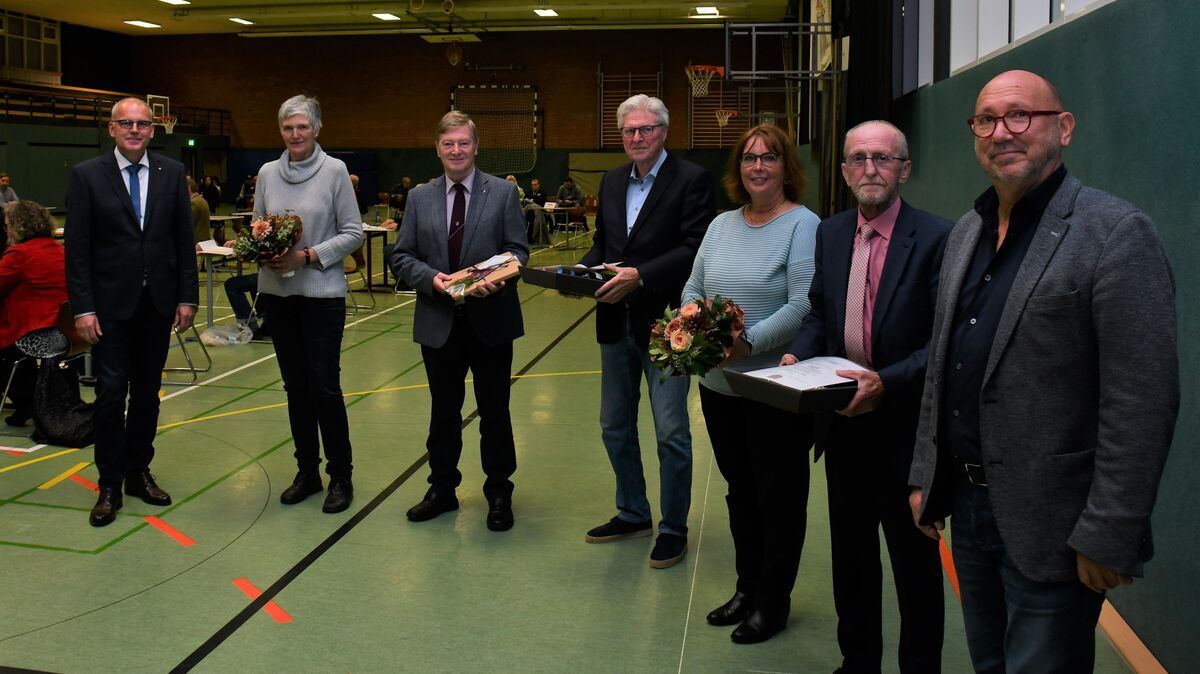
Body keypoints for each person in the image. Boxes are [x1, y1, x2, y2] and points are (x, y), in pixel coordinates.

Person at [908, 70, 1179, 673]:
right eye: (986, 119)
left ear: (1064, 128)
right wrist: (927, 472)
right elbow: (944, 369)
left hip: (1056, 523)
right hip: (970, 508)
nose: (1002, 132)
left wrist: (1111, 531)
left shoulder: (1114, 234)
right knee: (990, 665)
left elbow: (1142, 400)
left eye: (1020, 116)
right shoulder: (967, 234)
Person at [783, 120, 951, 669]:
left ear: (905, 169)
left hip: (904, 430)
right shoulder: (830, 233)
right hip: (844, 423)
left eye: (882, 158)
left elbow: (943, 344)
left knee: (913, 566)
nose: (869, 168)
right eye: (858, 158)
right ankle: (858, 662)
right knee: (851, 559)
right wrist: (796, 356)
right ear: (844, 171)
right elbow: (820, 312)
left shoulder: (936, 238)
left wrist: (888, 382)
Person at [682, 124, 819, 641]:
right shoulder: (720, 224)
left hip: (774, 390)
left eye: (770, 158)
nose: (758, 167)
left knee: (777, 497)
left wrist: (749, 342)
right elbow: (695, 286)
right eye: (748, 158)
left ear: (787, 167)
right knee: (741, 493)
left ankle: (773, 600)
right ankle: (747, 587)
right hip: (720, 388)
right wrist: (686, 332)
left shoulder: (803, 224)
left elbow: (803, 301)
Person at [578, 94, 715, 568]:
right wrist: (581, 271)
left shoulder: (693, 180)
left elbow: (695, 247)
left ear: (664, 131)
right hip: (615, 322)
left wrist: (640, 274)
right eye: (629, 131)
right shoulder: (612, 181)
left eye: (646, 129)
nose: (637, 138)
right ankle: (633, 511)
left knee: (672, 432)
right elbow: (604, 243)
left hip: (669, 326)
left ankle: (673, 526)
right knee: (614, 425)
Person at [391, 111, 529, 532]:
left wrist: (497, 280)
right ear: (437, 148)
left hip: (491, 320)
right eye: (448, 143)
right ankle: (442, 489)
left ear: (476, 146)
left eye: (463, 143)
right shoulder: (419, 197)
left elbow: (518, 252)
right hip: (439, 321)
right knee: (443, 413)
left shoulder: (502, 194)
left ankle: (499, 491)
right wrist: (431, 280)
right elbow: (400, 257)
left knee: (495, 412)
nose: (456, 150)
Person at [65, 97, 198, 527]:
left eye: (142, 123)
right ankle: (109, 483)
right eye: (127, 123)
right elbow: (78, 251)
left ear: (153, 130)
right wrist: (83, 307)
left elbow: (182, 240)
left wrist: (187, 297)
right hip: (108, 308)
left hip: (157, 305)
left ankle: (139, 470)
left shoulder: (171, 173)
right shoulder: (87, 176)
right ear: (111, 129)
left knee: (146, 394)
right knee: (108, 395)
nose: (135, 129)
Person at [254, 95, 364, 514]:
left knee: (323, 386)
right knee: (295, 388)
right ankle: (307, 473)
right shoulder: (267, 172)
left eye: (302, 127)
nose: (295, 134)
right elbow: (259, 223)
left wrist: (308, 255)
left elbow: (353, 232)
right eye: (288, 128)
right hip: (278, 296)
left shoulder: (335, 171)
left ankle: (341, 475)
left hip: (321, 297)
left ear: (317, 128)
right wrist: (262, 248)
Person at [0, 201, 68, 427]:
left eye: (8, 225)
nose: (6, 230)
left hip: (39, 335)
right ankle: (28, 400)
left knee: (6, 347)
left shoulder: (19, 254)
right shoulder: (58, 248)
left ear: (18, 227)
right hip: (68, 332)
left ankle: (26, 400)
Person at [523, 177, 548, 243]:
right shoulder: (528, 193)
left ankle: (535, 237)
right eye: (532, 185)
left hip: (538, 213)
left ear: (538, 185)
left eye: (535, 185)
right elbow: (524, 202)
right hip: (528, 212)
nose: (533, 186)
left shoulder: (542, 194)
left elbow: (543, 204)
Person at [188, 177, 212, 244]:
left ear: (188, 188)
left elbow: (187, 223)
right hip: (204, 241)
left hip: (196, 242)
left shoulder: (193, 202)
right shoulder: (202, 200)